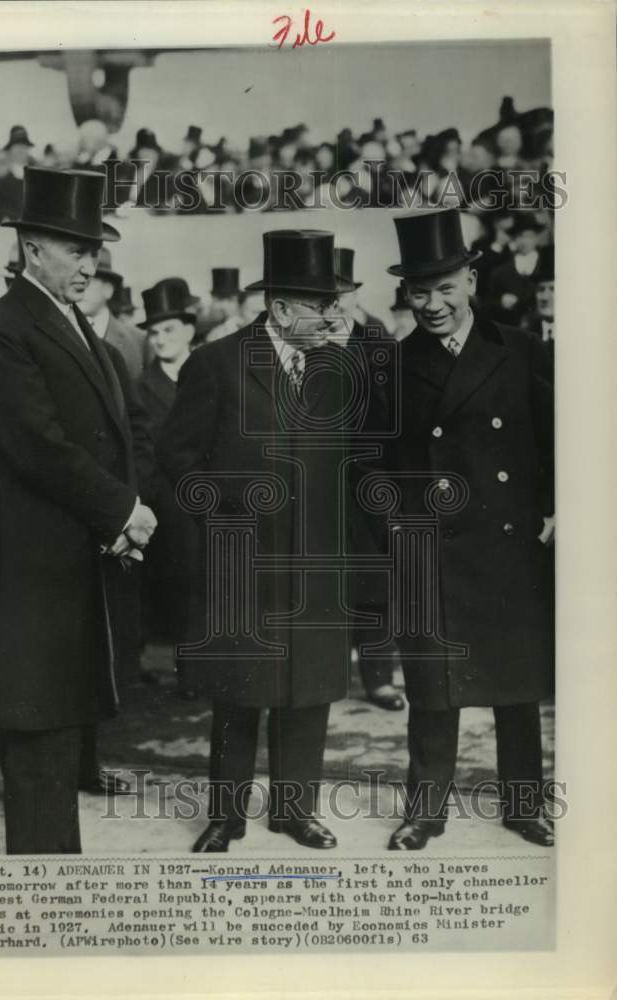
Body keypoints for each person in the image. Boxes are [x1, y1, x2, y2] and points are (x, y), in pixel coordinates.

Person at [0, 167, 158, 853]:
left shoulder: (65, 321)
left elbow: (114, 426)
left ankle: (51, 879)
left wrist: (120, 511)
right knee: (38, 734)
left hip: (66, 562)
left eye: (94, 250)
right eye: (76, 249)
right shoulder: (7, 327)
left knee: (58, 729)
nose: (89, 263)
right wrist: (122, 510)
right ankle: (42, 893)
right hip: (31, 573)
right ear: (33, 248)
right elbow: (37, 445)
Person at [158, 229, 381, 852]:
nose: (333, 314)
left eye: (334, 303)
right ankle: (226, 815)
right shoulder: (216, 363)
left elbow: (359, 461)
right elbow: (175, 459)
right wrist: (220, 521)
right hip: (243, 566)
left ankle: (294, 810)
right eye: (319, 305)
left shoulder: (343, 368)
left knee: (308, 691)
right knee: (238, 693)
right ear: (280, 308)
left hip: (317, 566)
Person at [374, 207, 554, 850]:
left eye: (445, 288)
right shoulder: (393, 367)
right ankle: (426, 810)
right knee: (431, 689)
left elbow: (556, 440)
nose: (433, 304)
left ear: (471, 282)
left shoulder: (521, 350)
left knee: (517, 685)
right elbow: (379, 469)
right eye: (419, 292)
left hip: (508, 544)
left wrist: (555, 515)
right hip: (431, 550)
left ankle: (524, 803)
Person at [329, 248, 404, 712]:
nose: (335, 306)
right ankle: (327, 672)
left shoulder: (378, 344)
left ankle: (378, 677)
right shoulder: (303, 345)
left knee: (374, 585)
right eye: (326, 297)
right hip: (316, 483)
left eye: (343, 295)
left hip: (368, 482)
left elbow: (395, 420)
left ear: (356, 296)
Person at [136, 280, 200, 688]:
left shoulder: (211, 371)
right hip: (171, 506)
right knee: (182, 589)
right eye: (154, 333)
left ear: (190, 330)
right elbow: (143, 455)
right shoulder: (141, 388)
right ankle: (190, 672)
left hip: (216, 499)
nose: (160, 340)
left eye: (169, 330)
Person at [77, 247, 145, 380]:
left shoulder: (139, 340)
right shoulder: (59, 331)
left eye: (88, 281)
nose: (80, 287)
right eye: (76, 281)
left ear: (108, 289)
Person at [486, 213, 546, 324]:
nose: (524, 241)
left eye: (529, 236)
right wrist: (501, 301)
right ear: (514, 238)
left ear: (536, 237)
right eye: (519, 236)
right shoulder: (500, 271)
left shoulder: (547, 264)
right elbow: (489, 301)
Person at [204, 268, 243, 342]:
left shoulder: (243, 325)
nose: (224, 306)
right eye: (219, 300)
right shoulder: (212, 331)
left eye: (230, 300)